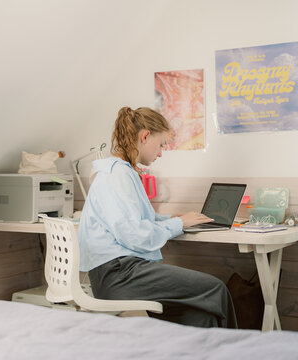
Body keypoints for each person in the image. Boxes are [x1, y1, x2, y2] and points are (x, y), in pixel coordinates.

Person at [78, 106, 238, 328]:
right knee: (216, 289)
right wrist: (179, 223)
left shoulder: (121, 171)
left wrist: (174, 218)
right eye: (161, 144)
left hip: (120, 271)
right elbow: (135, 235)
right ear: (144, 136)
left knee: (203, 318)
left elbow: (140, 219)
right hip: (119, 275)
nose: (161, 152)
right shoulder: (118, 174)